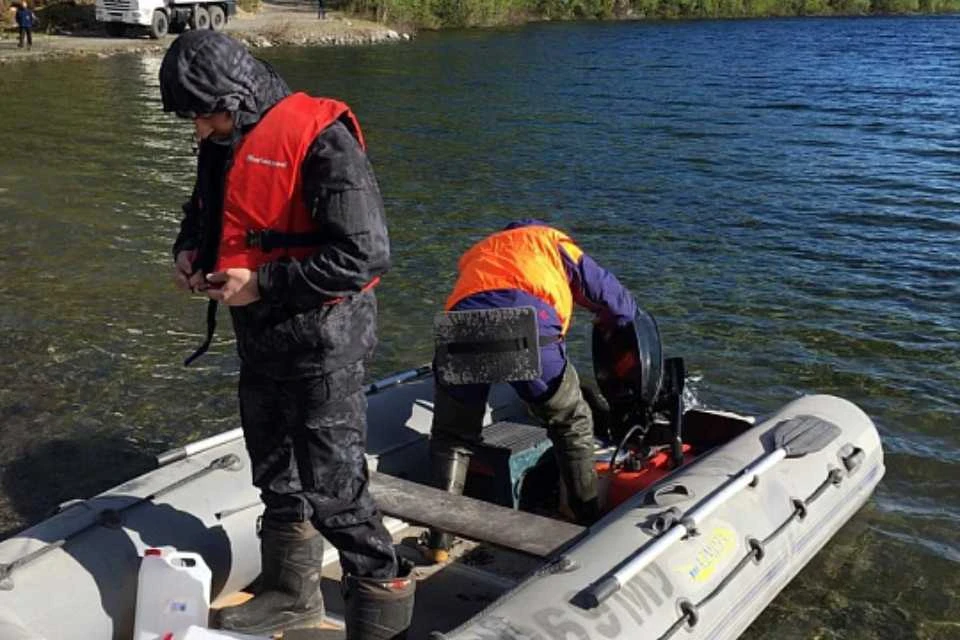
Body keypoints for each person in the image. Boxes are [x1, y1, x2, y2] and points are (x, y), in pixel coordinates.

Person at [158, 31, 414, 639]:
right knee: (275, 473)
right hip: (262, 340)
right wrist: (189, 250)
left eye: (204, 115)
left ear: (237, 98)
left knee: (337, 492)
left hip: (325, 344)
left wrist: (265, 283)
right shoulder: (223, 142)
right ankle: (288, 595)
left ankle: (381, 613)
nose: (199, 130)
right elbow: (204, 214)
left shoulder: (325, 142)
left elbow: (366, 255)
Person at [426, 220, 639, 560]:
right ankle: (580, 522)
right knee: (572, 422)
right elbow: (614, 300)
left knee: (453, 438)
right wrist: (620, 338)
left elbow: (484, 298)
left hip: (459, 328)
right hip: (528, 327)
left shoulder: (485, 248)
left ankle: (439, 541)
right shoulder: (552, 243)